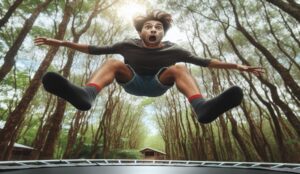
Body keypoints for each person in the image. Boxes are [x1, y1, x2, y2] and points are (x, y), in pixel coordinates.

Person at [34, 10, 264, 124]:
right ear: (141, 32)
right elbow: (93, 48)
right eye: (148, 27)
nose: (153, 29)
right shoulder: (126, 44)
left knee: (180, 68)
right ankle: (87, 94)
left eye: (157, 27)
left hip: (158, 84)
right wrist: (62, 42)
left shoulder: (174, 49)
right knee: (113, 62)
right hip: (131, 82)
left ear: (162, 33)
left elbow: (206, 62)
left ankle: (201, 106)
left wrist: (237, 65)